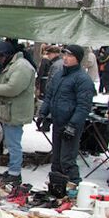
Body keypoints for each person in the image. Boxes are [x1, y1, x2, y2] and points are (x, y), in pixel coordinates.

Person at [37, 45, 95, 184]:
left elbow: (84, 106)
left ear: (78, 59)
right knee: (56, 160)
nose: (65, 58)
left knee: (67, 160)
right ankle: (57, 188)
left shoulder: (82, 79)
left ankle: (74, 187)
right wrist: (43, 113)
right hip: (58, 121)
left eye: (70, 56)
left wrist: (73, 126)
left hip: (71, 124)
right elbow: (49, 96)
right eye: (65, 55)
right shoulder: (59, 75)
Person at [0, 42, 36, 185]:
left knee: (14, 144)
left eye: (0, 57)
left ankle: (15, 173)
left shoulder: (21, 66)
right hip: (11, 110)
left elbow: (13, 88)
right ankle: (13, 169)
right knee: (11, 143)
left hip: (15, 112)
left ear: (7, 55)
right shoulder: (16, 65)